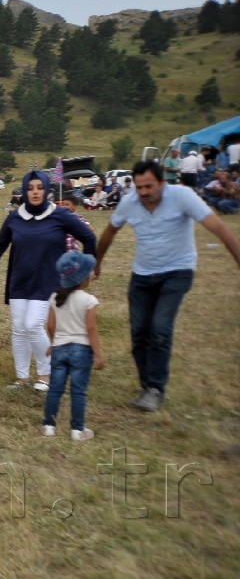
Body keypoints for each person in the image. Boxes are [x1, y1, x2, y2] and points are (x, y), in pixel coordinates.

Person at [94, 159, 240, 412]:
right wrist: (97, 262)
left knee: (160, 328)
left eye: (149, 186)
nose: (143, 193)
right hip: (142, 275)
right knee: (139, 332)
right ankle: (147, 386)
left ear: (163, 182)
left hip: (177, 271)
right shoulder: (129, 202)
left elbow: (220, 230)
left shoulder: (183, 196)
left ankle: (155, 389)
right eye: (139, 187)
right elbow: (109, 232)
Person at [0, 170, 97, 390]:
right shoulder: (15, 216)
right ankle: (21, 378)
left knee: (33, 325)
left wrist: (86, 269)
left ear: (46, 190)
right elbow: (0, 245)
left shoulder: (59, 215)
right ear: (24, 191)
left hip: (48, 282)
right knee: (19, 328)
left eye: (39, 188)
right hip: (19, 281)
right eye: (30, 188)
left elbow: (88, 237)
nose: (34, 192)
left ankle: (46, 375)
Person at [42, 251, 104, 442]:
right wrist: (98, 354)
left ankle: (49, 426)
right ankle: (77, 430)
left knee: (55, 389)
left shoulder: (55, 298)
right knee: (78, 391)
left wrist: (53, 343)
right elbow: (91, 328)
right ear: (84, 278)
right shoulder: (89, 301)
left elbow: (50, 325)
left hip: (60, 349)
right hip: (81, 351)